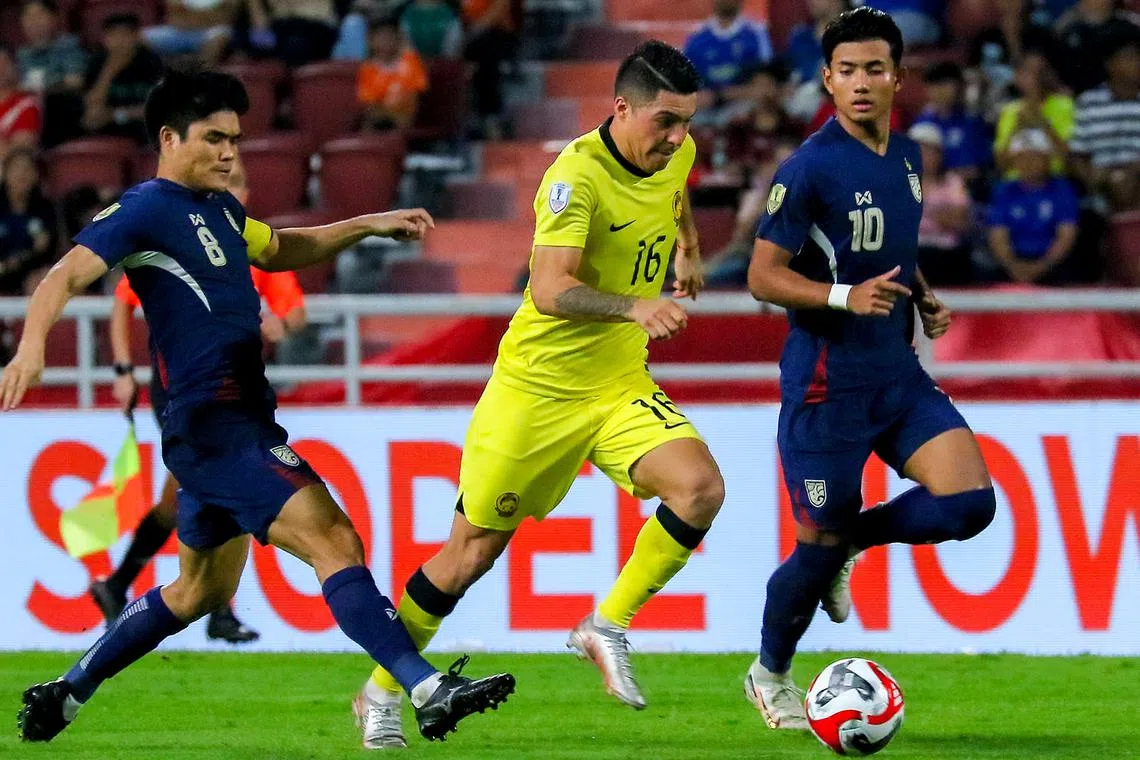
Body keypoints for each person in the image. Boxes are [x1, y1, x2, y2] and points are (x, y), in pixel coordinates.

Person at [7, 68, 514, 744]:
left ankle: (68, 692)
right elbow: (64, 275)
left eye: (235, 140)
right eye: (214, 138)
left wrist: (366, 224)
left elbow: (279, 249)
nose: (229, 153)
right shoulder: (144, 209)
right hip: (216, 428)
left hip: (229, 425)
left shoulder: (219, 209)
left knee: (199, 592)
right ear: (169, 138)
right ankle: (425, 688)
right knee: (334, 538)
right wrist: (30, 350)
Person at [351, 40, 724, 749]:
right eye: (666, 122)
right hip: (537, 392)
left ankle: (605, 625)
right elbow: (550, 289)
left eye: (687, 122)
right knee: (469, 554)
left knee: (700, 488)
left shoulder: (673, 153)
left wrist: (689, 247)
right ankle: (378, 692)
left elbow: (674, 195)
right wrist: (635, 306)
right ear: (622, 108)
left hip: (618, 383)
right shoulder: (574, 177)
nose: (679, 138)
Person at [746, 8, 996, 729]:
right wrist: (842, 296)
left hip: (897, 375)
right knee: (815, 549)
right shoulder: (809, 167)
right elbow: (762, 276)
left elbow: (894, 253)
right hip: (827, 387)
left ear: (897, 77)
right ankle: (770, 674)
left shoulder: (908, 157)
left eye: (874, 69)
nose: (861, 82)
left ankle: (856, 539)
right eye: (847, 70)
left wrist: (922, 294)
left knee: (970, 505)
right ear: (827, 79)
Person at [88, 162, 290, 644]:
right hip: (183, 386)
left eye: (237, 182)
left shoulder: (251, 247)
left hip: (235, 392)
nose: (228, 187)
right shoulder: (182, 236)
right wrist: (123, 369)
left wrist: (278, 321)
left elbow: (292, 312)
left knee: (181, 496)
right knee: (221, 479)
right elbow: (123, 300)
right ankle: (218, 610)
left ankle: (118, 585)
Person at [986, 129, 1081, 284]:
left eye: (1034, 157)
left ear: (1047, 159)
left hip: (1052, 263)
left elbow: (1066, 235)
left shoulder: (1062, 189)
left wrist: (1041, 267)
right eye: (1021, 158)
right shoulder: (1004, 191)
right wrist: (1013, 265)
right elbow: (998, 235)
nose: (1028, 163)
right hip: (1014, 261)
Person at [1068, 29, 1140, 213]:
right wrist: (1094, 180)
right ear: (1110, 64)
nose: (1137, 63)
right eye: (1129, 58)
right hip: (1101, 187)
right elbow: (1077, 154)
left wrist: (1131, 173)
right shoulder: (1089, 102)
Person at [684, 0, 774, 128]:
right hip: (704, 108)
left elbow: (764, 85)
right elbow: (685, 84)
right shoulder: (696, 38)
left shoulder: (755, 35)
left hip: (741, 105)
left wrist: (720, 96)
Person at [83, 13, 165, 144]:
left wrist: (116, 115)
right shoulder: (97, 61)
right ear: (104, 39)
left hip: (141, 126)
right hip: (106, 126)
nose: (120, 41)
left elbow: (158, 108)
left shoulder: (152, 62)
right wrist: (109, 72)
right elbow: (90, 106)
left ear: (136, 37)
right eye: (113, 35)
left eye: (125, 35)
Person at [16, 0, 87, 147]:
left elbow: (75, 83)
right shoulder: (21, 55)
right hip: (28, 115)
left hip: (60, 113)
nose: (33, 22)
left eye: (39, 15)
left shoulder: (69, 46)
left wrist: (36, 90)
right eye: (28, 17)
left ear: (55, 19)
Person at [0, 148, 58, 296]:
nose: (22, 174)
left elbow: (45, 250)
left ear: (36, 175)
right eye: (16, 168)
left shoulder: (45, 209)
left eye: (27, 169)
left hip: (30, 272)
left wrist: (20, 260)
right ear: (5, 173)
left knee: (43, 279)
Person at [357, 18, 429, 131]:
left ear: (398, 38)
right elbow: (369, 103)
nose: (385, 41)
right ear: (370, 41)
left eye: (389, 36)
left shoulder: (411, 61)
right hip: (379, 118)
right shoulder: (367, 69)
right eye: (380, 37)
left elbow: (414, 99)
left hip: (407, 117)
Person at [143, 0, 238, 65]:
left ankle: (201, 77)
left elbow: (226, 18)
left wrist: (190, 14)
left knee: (218, 38)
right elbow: (174, 17)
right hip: (180, 31)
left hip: (211, 31)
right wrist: (206, 15)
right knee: (141, 37)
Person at [0, 45, 41, 162]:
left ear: (15, 67)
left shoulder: (26, 106)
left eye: (4, 64)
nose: (0, 70)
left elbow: (20, 151)